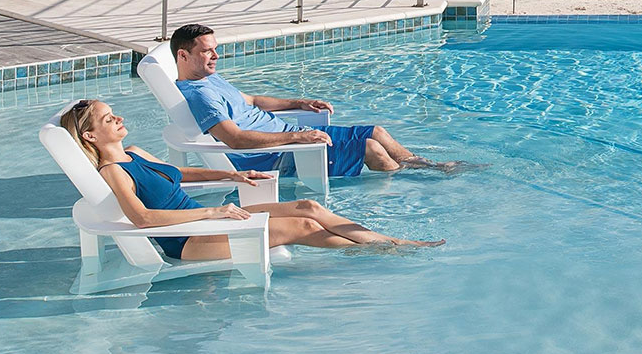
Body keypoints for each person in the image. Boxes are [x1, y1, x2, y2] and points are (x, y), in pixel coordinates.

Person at [59, 99, 440, 257]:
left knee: (308, 205)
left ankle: (391, 240)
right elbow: (143, 217)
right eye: (109, 119)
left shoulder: (134, 153)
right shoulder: (113, 170)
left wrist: (232, 173)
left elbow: (180, 172)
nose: (119, 119)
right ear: (91, 136)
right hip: (187, 242)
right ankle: (381, 248)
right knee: (304, 224)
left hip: (206, 221)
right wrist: (211, 214)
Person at [170, 23, 462, 178]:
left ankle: (429, 168)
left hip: (289, 137)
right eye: (208, 51)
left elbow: (254, 99)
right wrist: (297, 138)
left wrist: (298, 102)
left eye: (215, 49)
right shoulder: (200, 94)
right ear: (183, 56)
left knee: (376, 131)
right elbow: (234, 139)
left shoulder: (209, 78)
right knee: (372, 150)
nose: (216, 56)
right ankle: (409, 188)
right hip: (280, 154)